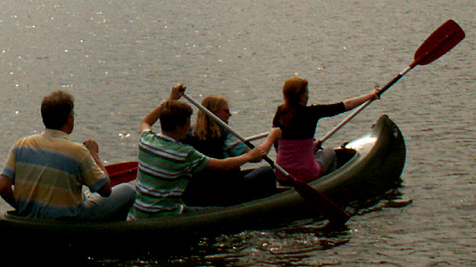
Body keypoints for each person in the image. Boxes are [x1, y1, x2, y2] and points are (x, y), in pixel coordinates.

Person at [129, 84, 276, 220]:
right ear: (179, 127)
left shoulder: (146, 140)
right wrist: (250, 155)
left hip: (139, 212)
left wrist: (171, 100)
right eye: (187, 123)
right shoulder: (184, 153)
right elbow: (222, 166)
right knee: (221, 213)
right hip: (168, 215)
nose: (189, 127)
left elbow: (145, 122)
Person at [0, 90, 135, 221]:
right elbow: (106, 189)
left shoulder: (21, 144)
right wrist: (94, 154)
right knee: (128, 191)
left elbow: (2, 187)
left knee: (86, 195)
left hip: (30, 217)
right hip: (70, 220)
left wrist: (23, 208)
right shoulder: (78, 151)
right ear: (69, 119)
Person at [271, 77, 380, 186]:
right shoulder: (312, 112)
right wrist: (371, 95)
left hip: (282, 174)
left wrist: (310, 148)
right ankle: (329, 185)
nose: (308, 95)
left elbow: (280, 148)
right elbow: (348, 104)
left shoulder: (280, 112)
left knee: (313, 156)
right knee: (330, 152)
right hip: (306, 176)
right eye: (307, 92)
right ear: (301, 96)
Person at [181, 94, 278, 205]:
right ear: (215, 113)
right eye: (226, 111)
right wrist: (272, 137)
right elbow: (257, 157)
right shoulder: (226, 135)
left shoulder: (187, 134)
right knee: (267, 172)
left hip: (199, 192)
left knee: (249, 172)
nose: (230, 115)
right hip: (227, 191)